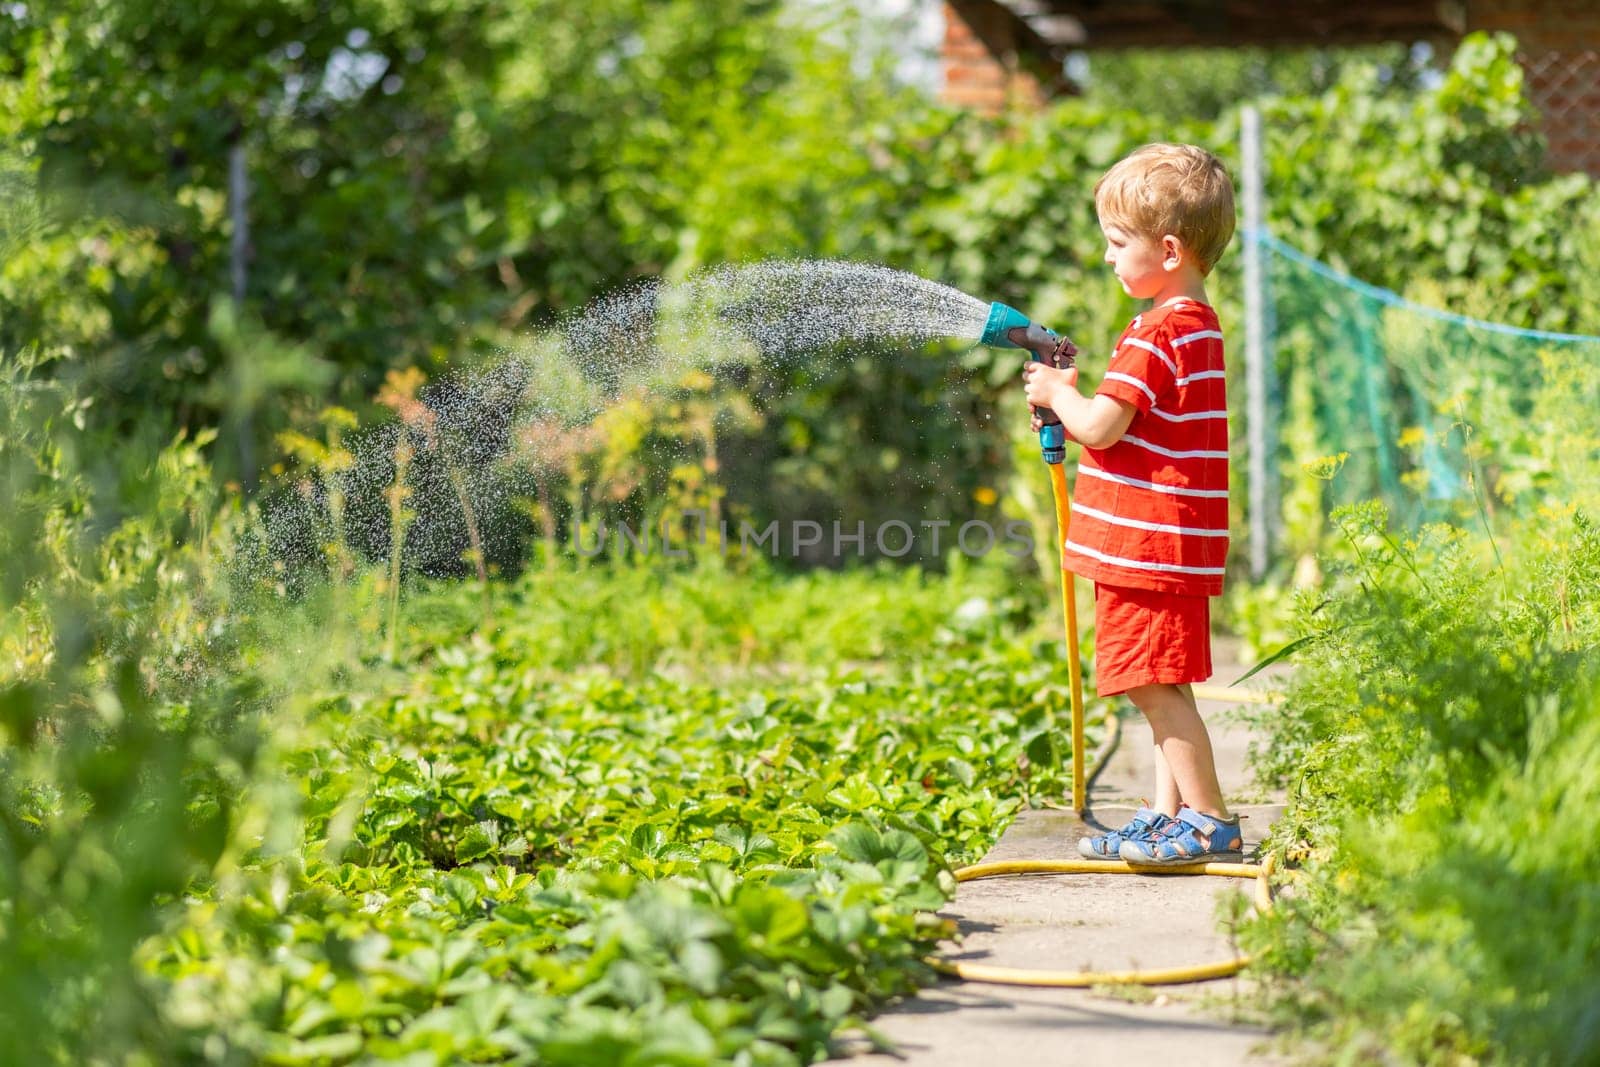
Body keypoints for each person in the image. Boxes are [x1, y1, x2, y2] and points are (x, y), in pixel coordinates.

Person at [1021, 142, 1241, 865]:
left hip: (1145, 547)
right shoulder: (1197, 327)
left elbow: (1101, 426)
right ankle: (1163, 813)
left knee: (1151, 685)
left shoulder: (1154, 332)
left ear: (1169, 249)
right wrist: (1076, 395)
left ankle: (1209, 821)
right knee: (1162, 679)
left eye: (1119, 243)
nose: (1109, 257)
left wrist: (1059, 395)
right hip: (1172, 541)